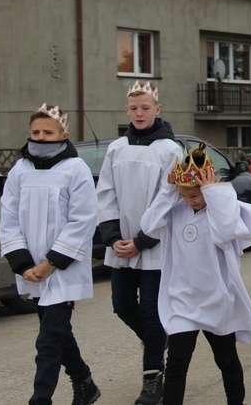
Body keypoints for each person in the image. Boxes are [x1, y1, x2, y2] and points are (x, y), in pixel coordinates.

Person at [140, 144, 251, 405]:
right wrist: (168, 190)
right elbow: (148, 226)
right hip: (183, 301)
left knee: (226, 359)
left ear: (208, 188)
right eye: (184, 196)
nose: (188, 201)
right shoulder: (176, 212)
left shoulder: (224, 210)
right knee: (176, 363)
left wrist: (213, 193)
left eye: (194, 196)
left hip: (217, 300)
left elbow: (228, 231)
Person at [0, 104, 100, 405]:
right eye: (35, 132)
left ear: (63, 135)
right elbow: (9, 217)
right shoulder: (20, 170)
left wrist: (51, 263)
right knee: (57, 333)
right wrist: (23, 264)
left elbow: (83, 218)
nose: (41, 137)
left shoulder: (75, 169)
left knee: (47, 341)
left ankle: (40, 399)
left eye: (48, 132)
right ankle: (84, 380)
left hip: (62, 267)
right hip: (32, 267)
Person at [96, 80, 183, 405]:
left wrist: (143, 239)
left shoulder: (169, 150)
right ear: (126, 110)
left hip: (154, 245)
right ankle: (158, 342)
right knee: (122, 305)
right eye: (133, 108)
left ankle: (152, 379)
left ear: (157, 109)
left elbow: (171, 198)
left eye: (145, 107)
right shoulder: (116, 148)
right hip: (121, 245)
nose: (139, 113)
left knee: (150, 309)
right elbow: (106, 193)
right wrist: (113, 237)